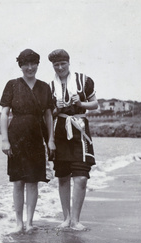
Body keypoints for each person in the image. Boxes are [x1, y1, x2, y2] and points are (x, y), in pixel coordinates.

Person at [0, 49, 55, 234]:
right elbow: (4, 114)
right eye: (26, 64)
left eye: (33, 63)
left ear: (38, 64)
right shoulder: (12, 85)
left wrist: (51, 140)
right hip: (16, 137)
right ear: (20, 65)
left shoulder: (44, 87)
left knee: (33, 181)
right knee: (18, 182)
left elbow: (48, 115)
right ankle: (18, 223)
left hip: (36, 137)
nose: (30, 67)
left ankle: (30, 222)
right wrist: (4, 140)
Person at [48, 49, 98, 231]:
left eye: (63, 64)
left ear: (69, 63)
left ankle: (76, 220)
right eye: (56, 65)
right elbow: (48, 114)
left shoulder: (84, 81)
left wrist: (81, 104)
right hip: (60, 129)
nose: (60, 67)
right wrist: (55, 108)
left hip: (80, 128)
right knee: (62, 176)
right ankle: (66, 218)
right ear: (53, 66)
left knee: (81, 177)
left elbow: (95, 104)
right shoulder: (50, 87)